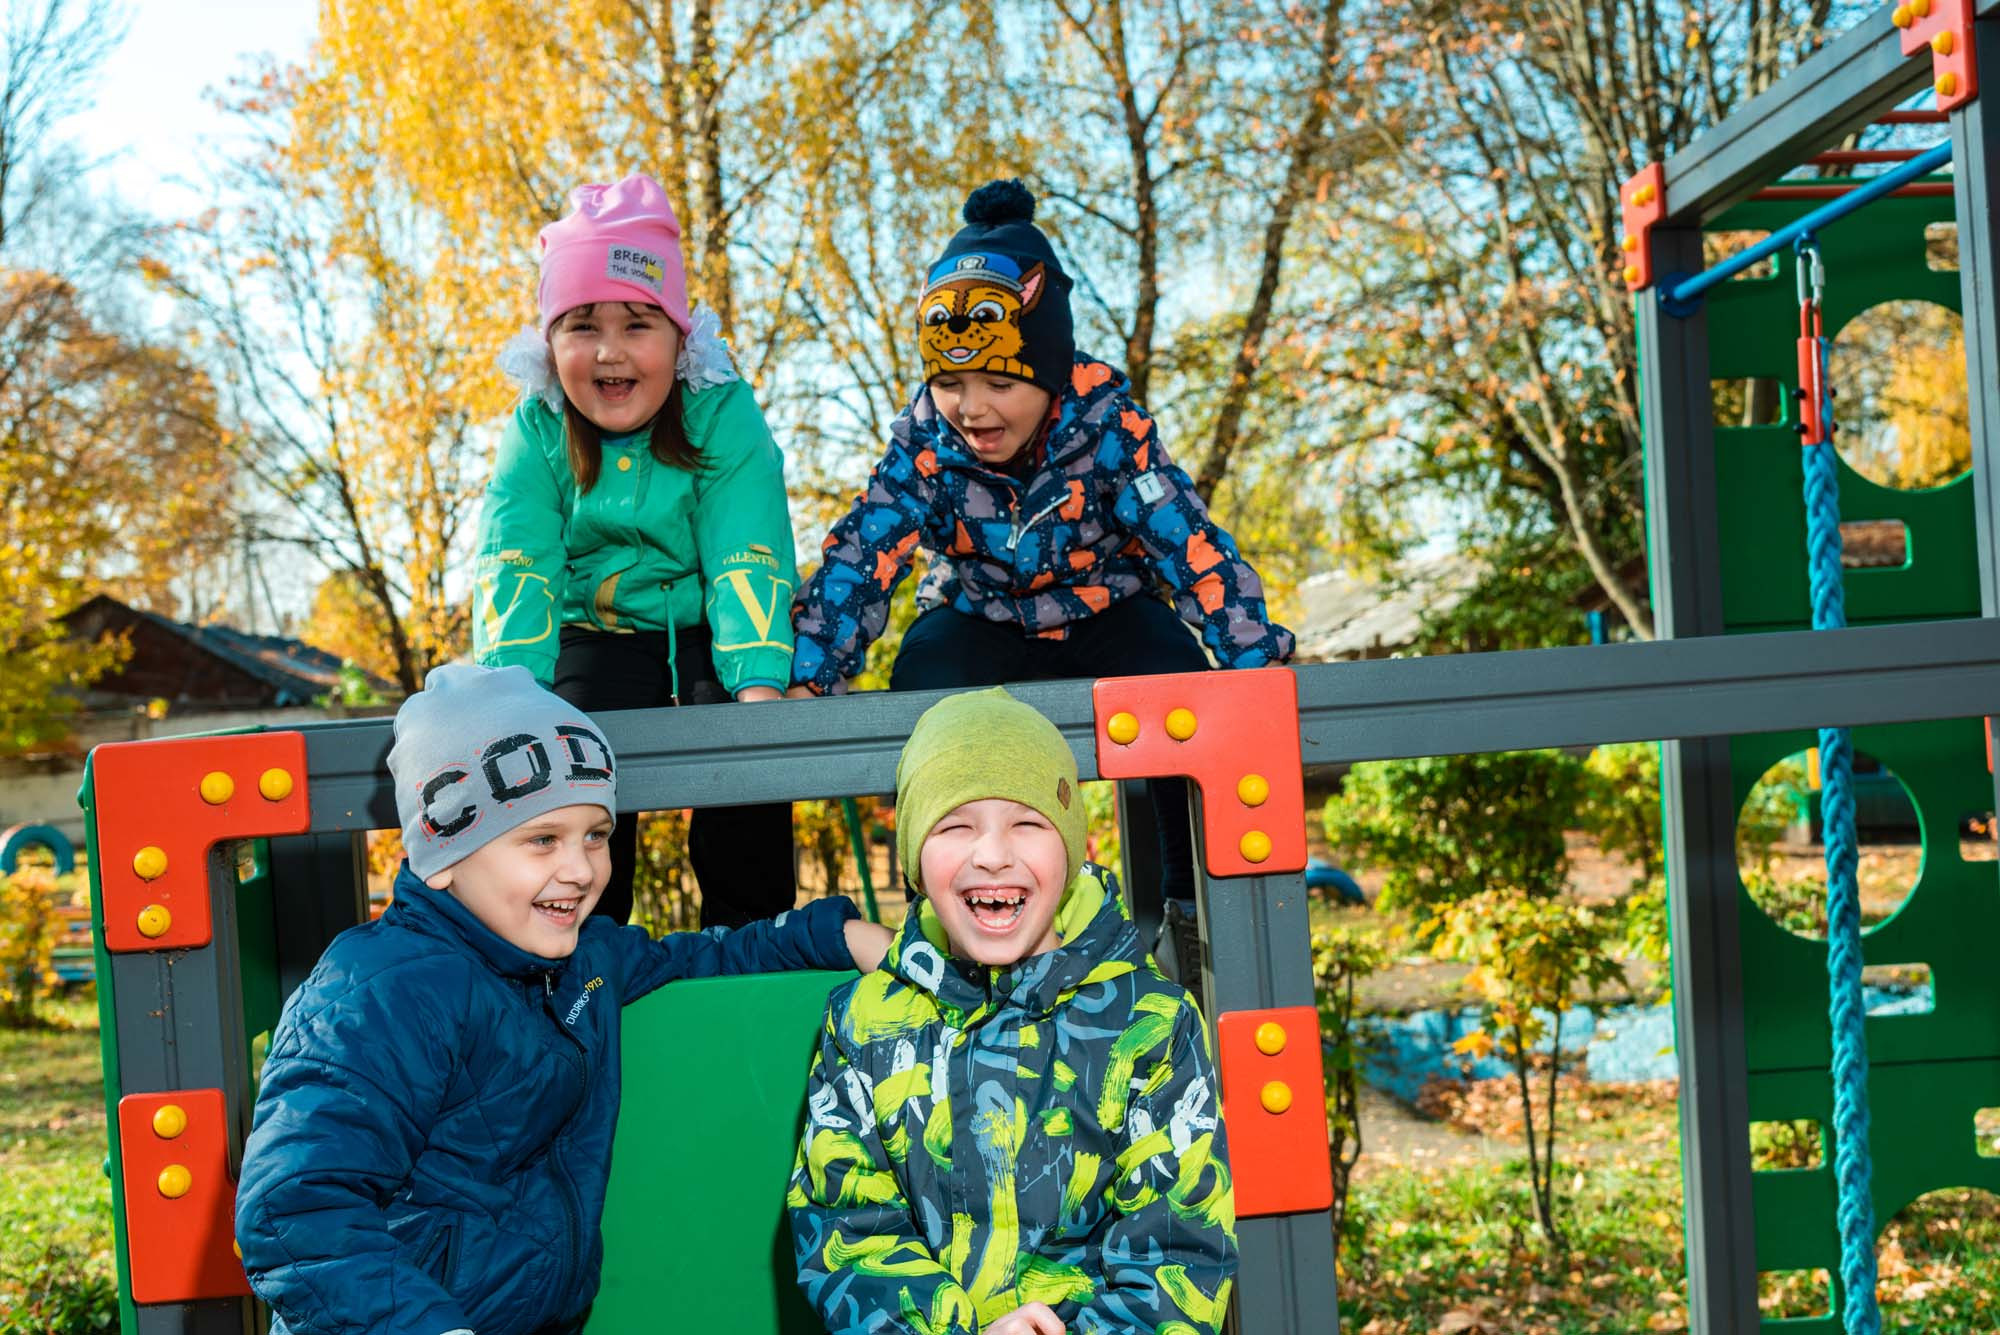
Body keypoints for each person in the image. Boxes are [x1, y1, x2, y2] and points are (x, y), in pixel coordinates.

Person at [236, 663, 891, 1335]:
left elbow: (706, 956)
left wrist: (837, 932)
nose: (581, 870)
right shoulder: (381, 991)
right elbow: (292, 1209)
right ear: (447, 852)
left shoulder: (586, 961)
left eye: (596, 836)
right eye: (542, 839)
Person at [788, 178, 1293, 938]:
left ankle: (1190, 889)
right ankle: (937, 894)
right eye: (951, 382)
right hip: (979, 613)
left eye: (999, 381)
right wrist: (810, 672)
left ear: (1049, 374)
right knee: (926, 680)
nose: (974, 408)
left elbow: (1186, 539)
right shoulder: (927, 440)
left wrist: (1256, 660)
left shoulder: (1108, 424)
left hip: (1106, 607)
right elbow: (866, 549)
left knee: (1171, 672)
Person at [788, 687, 1237, 1335]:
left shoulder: (1149, 1022)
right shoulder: (863, 1023)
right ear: (914, 858)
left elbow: (1180, 1244)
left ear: (1072, 848)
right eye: (954, 825)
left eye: (1027, 822)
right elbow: (848, 1224)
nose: (993, 853)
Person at [476, 172, 796, 929]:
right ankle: (580, 942)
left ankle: (749, 941)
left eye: (638, 324)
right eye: (583, 324)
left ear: (680, 335)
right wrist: (509, 698)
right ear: (550, 343)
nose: (611, 351)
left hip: (713, 630)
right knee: (567, 750)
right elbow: (517, 564)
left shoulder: (720, 410)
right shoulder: (538, 430)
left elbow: (745, 548)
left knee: (741, 758)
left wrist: (757, 689)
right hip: (600, 630)